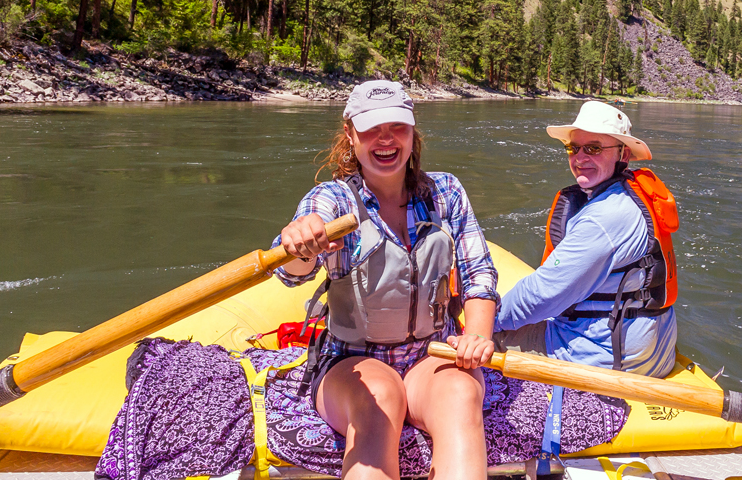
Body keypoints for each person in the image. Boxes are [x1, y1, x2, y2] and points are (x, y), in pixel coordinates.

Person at [275, 81, 499, 480]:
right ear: (350, 134)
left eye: (397, 127)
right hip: (352, 359)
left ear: (413, 133)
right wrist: (301, 243)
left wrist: (477, 337)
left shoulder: (446, 192)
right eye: (371, 128)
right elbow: (293, 272)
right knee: (380, 397)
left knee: (463, 394)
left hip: (434, 353)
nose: (385, 139)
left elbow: (478, 274)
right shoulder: (333, 200)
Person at [495, 101, 679, 377]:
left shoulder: (603, 217)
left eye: (593, 148)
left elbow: (542, 294)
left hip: (610, 363)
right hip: (656, 355)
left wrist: (482, 322)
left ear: (623, 154)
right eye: (573, 148)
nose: (579, 157)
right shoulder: (634, 195)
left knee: (485, 338)